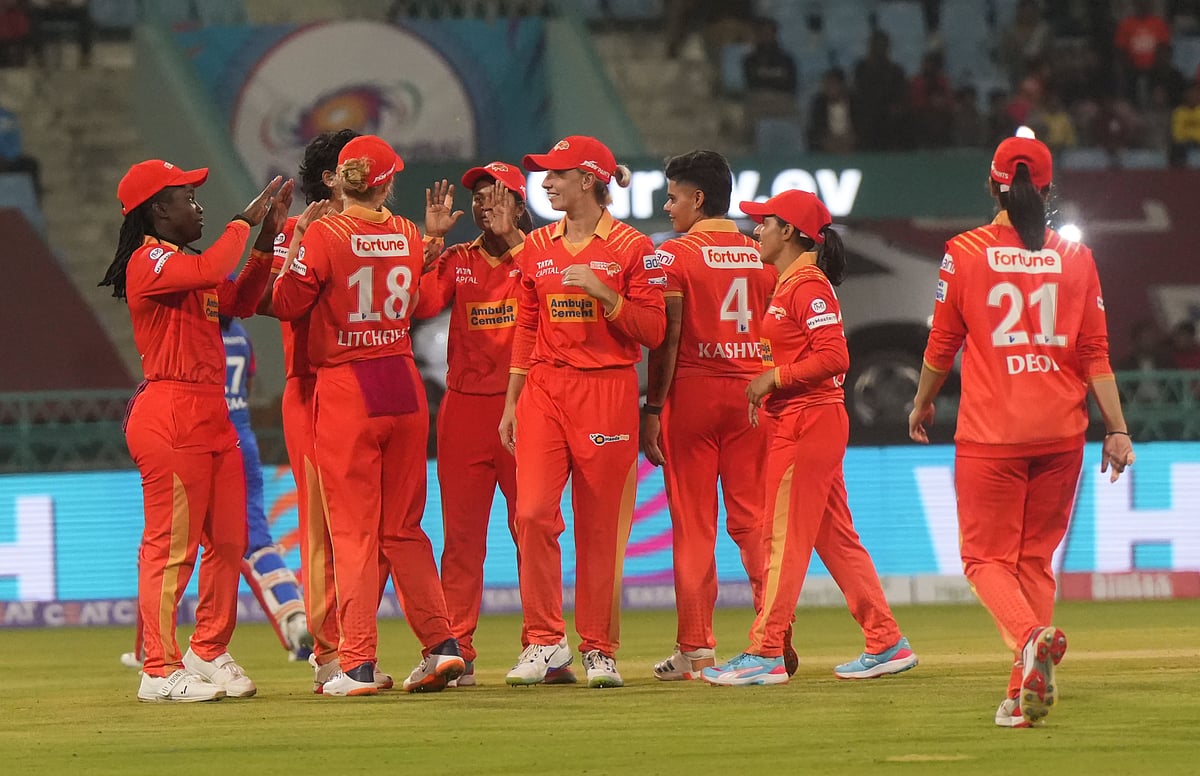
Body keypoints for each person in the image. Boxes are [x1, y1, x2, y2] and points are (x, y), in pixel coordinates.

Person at [908, 136, 1135, 728]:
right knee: (1034, 562)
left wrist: (922, 403)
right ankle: (1020, 695)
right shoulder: (1075, 257)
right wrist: (1117, 427)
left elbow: (941, 344)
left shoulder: (965, 252)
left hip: (993, 433)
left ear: (992, 184)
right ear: (1049, 188)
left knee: (985, 560)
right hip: (1062, 433)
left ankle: (1033, 639)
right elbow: (1096, 351)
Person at [272, 134, 464, 697]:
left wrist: (296, 244)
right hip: (402, 384)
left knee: (353, 533)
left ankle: (354, 662)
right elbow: (422, 303)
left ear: (343, 180)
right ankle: (441, 645)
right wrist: (431, 244)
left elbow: (286, 304)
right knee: (404, 531)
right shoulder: (406, 233)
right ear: (384, 183)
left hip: (346, 388)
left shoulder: (325, 234)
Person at [702, 189, 918, 687]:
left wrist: (771, 381)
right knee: (836, 540)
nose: (755, 230)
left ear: (792, 232)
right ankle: (885, 640)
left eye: (765, 222)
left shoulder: (805, 286)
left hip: (807, 423)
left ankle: (766, 651)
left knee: (783, 541)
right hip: (806, 421)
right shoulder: (792, 283)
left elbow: (836, 356)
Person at [100, 160, 289, 702]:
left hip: (212, 415)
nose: (197, 205)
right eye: (187, 196)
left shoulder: (184, 263)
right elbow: (211, 273)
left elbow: (239, 301)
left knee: (230, 542)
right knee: (171, 548)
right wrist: (241, 222)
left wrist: (266, 242)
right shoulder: (148, 260)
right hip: (172, 411)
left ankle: (208, 647)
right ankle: (157, 669)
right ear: (159, 209)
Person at [498, 135, 666, 689]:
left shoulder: (632, 247)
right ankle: (545, 640)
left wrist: (607, 296)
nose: (544, 183)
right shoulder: (537, 247)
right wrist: (512, 401)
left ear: (589, 179)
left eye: (556, 174)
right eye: (543, 173)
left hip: (607, 392)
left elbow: (655, 331)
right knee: (531, 516)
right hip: (544, 390)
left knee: (599, 531)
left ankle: (599, 649)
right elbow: (526, 325)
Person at [412, 162, 572, 687]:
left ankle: (544, 645)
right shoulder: (458, 260)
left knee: (534, 528)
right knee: (460, 540)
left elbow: (555, 301)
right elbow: (421, 302)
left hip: (529, 406)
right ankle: (458, 652)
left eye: (496, 197)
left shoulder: (545, 253)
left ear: (520, 204)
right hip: (464, 410)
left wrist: (515, 240)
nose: (484, 206)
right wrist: (431, 242)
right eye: (478, 199)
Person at [257, 129, 397, 694]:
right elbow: (275, 304)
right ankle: (329, 651)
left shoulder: (384, 229)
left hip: (376, 386)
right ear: (333, 177)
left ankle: (359, 643)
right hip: (313, 388)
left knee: (380, 529)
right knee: (325, 529)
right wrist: (293, 242)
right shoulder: (299, 231)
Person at [639, 150, 783, 682]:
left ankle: (697, 649)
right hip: (753, 396)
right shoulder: (762, 252)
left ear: (698, 199)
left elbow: (667, 338)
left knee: (694, 528)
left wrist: (652, 407)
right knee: (754, 525)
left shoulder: (672, 255)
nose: (667, 204)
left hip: (694, 396)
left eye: (673, 196)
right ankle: (773, 636)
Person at [219, 316, 312, 661]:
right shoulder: (241, 335)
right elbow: (251, 386)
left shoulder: (194, 329)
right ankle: (296, 620)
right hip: (245, 436)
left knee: (173, 543)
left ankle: (158, 652)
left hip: (210, 439)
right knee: (253, 538)